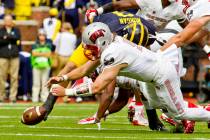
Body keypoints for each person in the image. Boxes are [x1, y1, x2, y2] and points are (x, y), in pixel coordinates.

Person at [50, 22, 210, 131]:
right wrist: (63, 78)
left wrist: (67, 93)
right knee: (156, 103)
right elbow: (84, 69)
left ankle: (204, 114)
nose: (88, 50)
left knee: (179, 112)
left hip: (163, 73)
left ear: (101, 42)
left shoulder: (113, 53)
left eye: (91, 46)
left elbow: (98, 86)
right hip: (149, 78)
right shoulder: (111, 45)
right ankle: (182, 119)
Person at [0, 14, 21, 103]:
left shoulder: (16, 30)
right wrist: (10, 39)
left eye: (10, 20)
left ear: (12, 21)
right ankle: (1, 96)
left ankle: (13, 97)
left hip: (14, 56)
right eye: (6, 20)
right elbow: (0, 41)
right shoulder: (1, 30)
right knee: (1, 77)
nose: (8, 22)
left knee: (14, 77)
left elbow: (18, 40)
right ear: (4, 21)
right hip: (3, 56)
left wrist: (7, 37)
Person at [31, 29, 52, 102]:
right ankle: (35, 98)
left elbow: (49, 54)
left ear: (45, 36)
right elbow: (33, 53)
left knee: (45, 83)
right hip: (36, 66)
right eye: (40, 35)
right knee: (36, 83)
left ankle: (44, 98)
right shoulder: (35, 44)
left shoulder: (48, 44)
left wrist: (39, 53)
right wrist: (44, 53)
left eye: (43, 35)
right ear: (38, 36)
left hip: (46, 66)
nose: (41, 36)